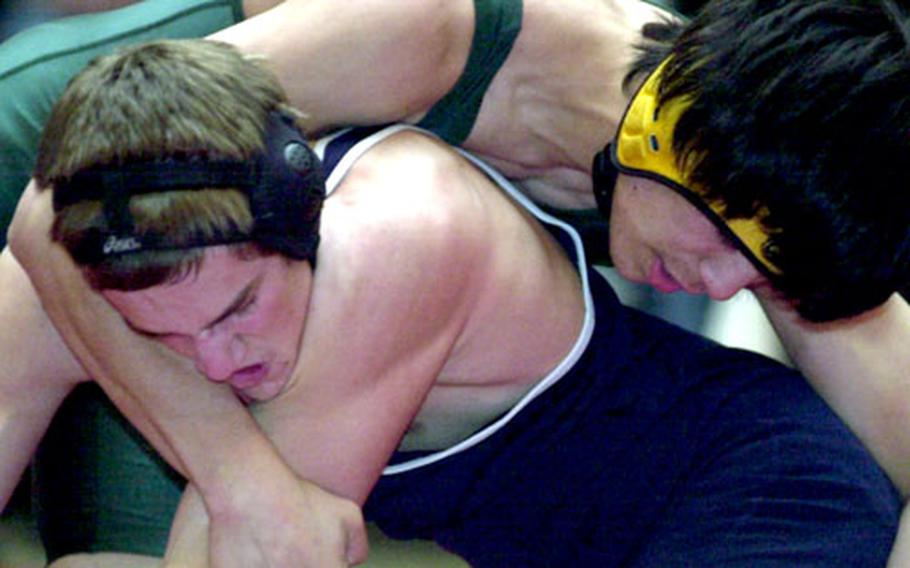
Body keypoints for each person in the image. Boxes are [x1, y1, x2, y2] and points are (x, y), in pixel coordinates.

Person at [3, 0, 909, 561]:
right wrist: (242, 479)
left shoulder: (761, 184)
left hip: (231, 289)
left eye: (759, 278)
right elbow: (53, 214)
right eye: (721, 249)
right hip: (86, 140)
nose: (720, 288)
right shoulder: (432, 30)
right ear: (666, 130)